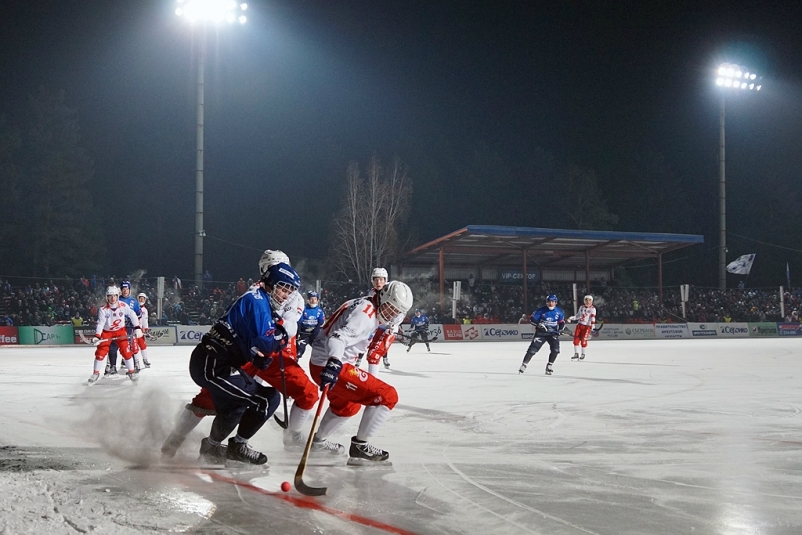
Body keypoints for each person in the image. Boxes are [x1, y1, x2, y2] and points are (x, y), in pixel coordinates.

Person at [161, 250, 310, 459]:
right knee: (265, 399)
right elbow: (267, 340)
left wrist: (254, 353)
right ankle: (235, 446)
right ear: (272, 279)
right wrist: (283, 334)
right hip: (214, 363)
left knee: (237, 403)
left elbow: (246, 336)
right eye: (284, 289)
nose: (287, 296)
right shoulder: (258, 300)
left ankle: (208, 446)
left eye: (290, 291)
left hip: (219, 360)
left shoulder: (260, 298)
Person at [308, 280, 414, 465]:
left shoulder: (365, 303)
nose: (392, 315)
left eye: (397, 312)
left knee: (349, 406)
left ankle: (318, 442)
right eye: (390, 308)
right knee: (387, 395)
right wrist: (333, 362)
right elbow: (337, 338)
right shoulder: (366, 314)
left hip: (323, 362)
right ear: (383, 298)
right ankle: (360, 446)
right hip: (332, 364)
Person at [87, 286, 143, 384]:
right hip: (107, 332)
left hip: (120, 331)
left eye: (115, 296)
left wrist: (137, 327)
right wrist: (97, 336)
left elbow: (132, 314)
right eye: (110, 296)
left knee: (126, 351)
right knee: (101, 352)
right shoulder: (103, 309)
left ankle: (131, 372)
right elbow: (100, 323)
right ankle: (95, 373)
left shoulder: (123, 305)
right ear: (107, 297)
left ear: (118, 296)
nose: (113, 298)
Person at [518, 294, 565, 376]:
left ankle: (549, 365)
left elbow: (561, 322)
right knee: (532, 350)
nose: (551, 303)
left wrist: (560, 329)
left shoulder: (559, 312)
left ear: (556, 302)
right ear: (546, 302)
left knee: (556, 350)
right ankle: (524, 364)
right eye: (549, 301)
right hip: (541, 333)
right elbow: (532, 320)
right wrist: (538, 325)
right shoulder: (540, 310)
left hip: (552, 334)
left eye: (553, 301)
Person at [106, 281, 141, 376]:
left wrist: (137, 326)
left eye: (127, 289)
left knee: (129, 347)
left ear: (130, 290)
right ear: (120, 290)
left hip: (129, 328)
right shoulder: (116, 299)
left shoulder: (134, 301)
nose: (125, 291)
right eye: (123, 289)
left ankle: (133, 367)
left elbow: (138, 314)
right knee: (113, 347)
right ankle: (112, 366)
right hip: (117, 328)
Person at [297, 291, 325, 360]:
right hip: (303, 334)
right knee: (299, 350)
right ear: (308, 299)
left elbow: (321, 322)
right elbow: (299, 322)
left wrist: (316, 330)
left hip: (314, 334)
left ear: (317, 300)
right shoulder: (304, 309)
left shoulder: (319, 311)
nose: (313, 301)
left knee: (321, 350)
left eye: (315, 299)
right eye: (311, 299)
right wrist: (298, 333)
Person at [568, 295, 596, 361]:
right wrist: (572, 318)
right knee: (576, 340)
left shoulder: (592, 309)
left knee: (583, 340)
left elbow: (592, 317)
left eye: (589, 300)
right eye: (586, 300)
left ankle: (583, 354)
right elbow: (578, 316)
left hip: (587, 326)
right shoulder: (581, 307)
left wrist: (592, 326)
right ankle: (576, 354)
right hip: (579, 325)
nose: (588, 302)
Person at [132, 293, 151, 368]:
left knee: (143, 345)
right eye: (140, 298)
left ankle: (145, 360)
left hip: (140, 331)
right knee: (134, 347)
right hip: (134, 330)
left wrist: (146, 329)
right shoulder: (134, 307)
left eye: (143, 298)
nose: (141, 300)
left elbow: (145, 320)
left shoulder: (145, 310)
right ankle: (136, 362)